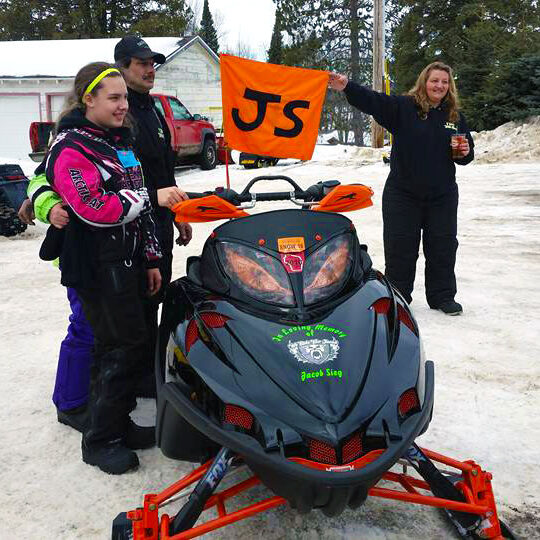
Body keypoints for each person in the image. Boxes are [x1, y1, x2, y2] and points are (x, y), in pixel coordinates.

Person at [45, 61, 171, 474]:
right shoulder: (71, 148)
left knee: (123, 346)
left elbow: (138, 209)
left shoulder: (118, 141)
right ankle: (100, 440)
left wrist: (152, 258)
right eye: (114, 98)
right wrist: (149, 196)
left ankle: (115, 423)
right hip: (98, 266)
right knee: (121, 347)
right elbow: (94, 207)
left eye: (123, 98)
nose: (122, 106)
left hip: (130, 262)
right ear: (89, 100)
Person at [328, 61, 474, 315]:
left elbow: (464, 155)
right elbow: (373, 100)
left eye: (444, 81)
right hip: (403, 193)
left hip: (442, 195)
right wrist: (347, 86)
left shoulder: (455, 116)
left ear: (449, 86)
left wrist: (465, 152)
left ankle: (442, 296)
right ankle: (399, 295)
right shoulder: (404, 107)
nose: (439, 85)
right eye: (434, 80)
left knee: (443, 245)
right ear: (424, 82)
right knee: (400, 247)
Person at [114, 36, 192, 395]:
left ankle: (150, 373)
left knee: (156, 295)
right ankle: (135, 380)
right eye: (142, 63)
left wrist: (180, 211)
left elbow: (164, 166)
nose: (150, 70)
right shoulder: (118, 114)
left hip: (159, 220)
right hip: (129, 225)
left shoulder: (152, 108)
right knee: (138, 302)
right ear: (122, 66)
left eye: (152, 63)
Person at [19, 178, 93, 433]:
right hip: (79, 255)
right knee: (86, 326)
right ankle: (70, 403)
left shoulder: (122, 138)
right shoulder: (68, 139)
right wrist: (48, 207)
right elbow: (41, 179)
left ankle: (96, 389)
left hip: (118, 253)